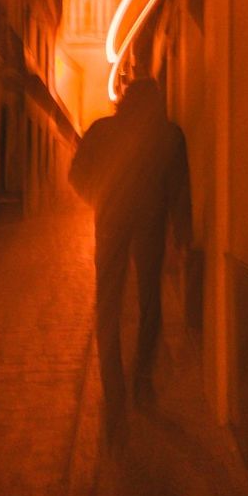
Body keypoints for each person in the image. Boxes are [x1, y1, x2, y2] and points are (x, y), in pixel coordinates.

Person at [69, 77, 192, 444]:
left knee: (107, 307)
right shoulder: (170, 136)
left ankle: (115, 392)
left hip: (111, 224)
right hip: (150, 227)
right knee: (150, 303)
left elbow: (76, 174)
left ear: (124, 100)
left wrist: (100, 200)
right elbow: (180, 190)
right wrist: (183, 237)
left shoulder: (102, 130)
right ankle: (142, 383)